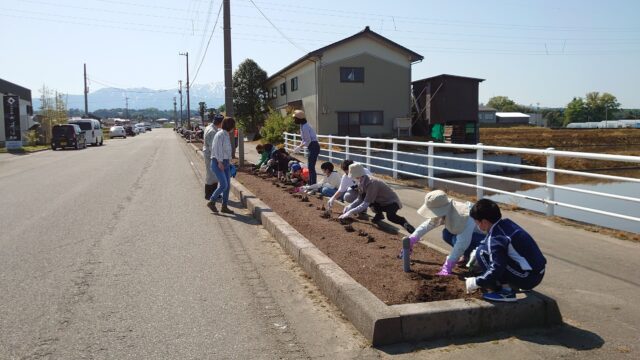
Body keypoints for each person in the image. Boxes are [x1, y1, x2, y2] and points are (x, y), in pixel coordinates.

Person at [465, 199, 547, 302]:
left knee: (481, 253)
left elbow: (496, 267)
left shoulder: (496, 238)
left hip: (529, 278)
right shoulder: (506, 224)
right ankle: (511, 285)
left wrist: (476, 282)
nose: (476, 225)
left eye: (476, 222)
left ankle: (506, 292)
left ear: (484, 222)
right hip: (538, 271)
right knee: (482, 250)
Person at [399, 190, 485, 276]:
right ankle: (467, 255)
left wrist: (449, 264)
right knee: (447, 234)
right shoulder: (445, 208)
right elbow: (428, 224)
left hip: (485, 239)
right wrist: (412, 239)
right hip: (470, 237)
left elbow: (462, 243)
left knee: (456, 239)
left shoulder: (463, 216)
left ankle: (480, 260)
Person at [339, 164, 415, 234]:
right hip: (380, 202)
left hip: (391, 202)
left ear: (357, 175)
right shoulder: (360, 182)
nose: (352, 178)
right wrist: (349, 207)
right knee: (368, 200)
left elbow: (365, 204)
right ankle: (379, 215)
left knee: (391, 217)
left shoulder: (372, 183)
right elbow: (360, 198)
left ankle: (404, 223)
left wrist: (350, 212)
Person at [207, 117, 236, 214]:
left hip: (226, 162)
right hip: (218, 162)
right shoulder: (220, 134)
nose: (234, 128)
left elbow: (226, 150)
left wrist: (229, 162)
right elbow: (216, 149)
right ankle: (212, 201)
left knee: (227, 186)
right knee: (224, 184)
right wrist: (219, 162)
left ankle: (224, 206)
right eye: (233, 126)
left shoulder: (226, 135)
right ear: (230, 126)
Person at [292, 110, 320, 185]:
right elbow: (304, 139)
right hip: (312, 146)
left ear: (299, 118)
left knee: (311, 167)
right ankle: (310, 184)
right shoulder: (302, 125)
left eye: (295, 118)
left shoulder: (305, 127)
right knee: (310, 166)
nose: (294, 120)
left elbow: (308, 140)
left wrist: (300, 147)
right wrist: (299, 146)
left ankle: (313, 184)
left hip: (313, 146)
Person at [202, 114, 224, 200]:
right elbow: (213, 147)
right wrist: (219, 160)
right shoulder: (213, 132)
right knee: (211, 175)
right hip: (210, 155)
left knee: (213, 174)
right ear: (220, 122)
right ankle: (209, 194)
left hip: (208, 152)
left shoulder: (209, 127)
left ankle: (214, 193)